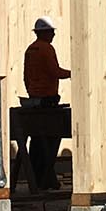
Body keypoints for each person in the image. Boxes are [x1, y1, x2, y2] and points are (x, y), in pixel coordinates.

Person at [22, 16, 70, 192]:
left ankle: (40, 179)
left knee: (36, 141)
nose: (54, 35)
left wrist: (32, 92)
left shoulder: (30, 50)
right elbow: (54, 71)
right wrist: (75, 73)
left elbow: (26, 76)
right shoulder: (46, 49)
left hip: (34, 100)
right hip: (48, 101)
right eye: (52, 32)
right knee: (50, 141)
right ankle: (46, 180)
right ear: (45, 33)